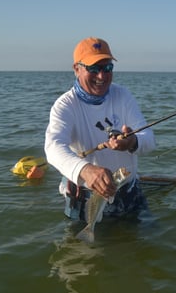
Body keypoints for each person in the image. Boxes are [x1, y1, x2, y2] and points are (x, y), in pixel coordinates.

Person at [45, 37, 156, 220]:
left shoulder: (123, 95)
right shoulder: (65, 105)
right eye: (94, 69)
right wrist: (86, 170)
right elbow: (53, 147)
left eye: (107, 68)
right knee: (83, 248)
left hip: (129, 194)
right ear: (76, 69)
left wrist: (132, 142)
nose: (101, 76)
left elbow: (150, 139)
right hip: (85, 202)